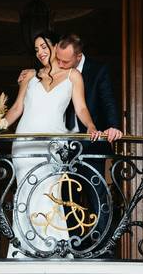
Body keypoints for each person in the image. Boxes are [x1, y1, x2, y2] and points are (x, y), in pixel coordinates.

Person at [17, 33, 124, 254]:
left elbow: (106, 101)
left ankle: (101, 249)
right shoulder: (40, 74)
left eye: (66, 61)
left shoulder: (95, 70)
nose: (60, 63)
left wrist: (111, 127)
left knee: (96, 194)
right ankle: (72, 245)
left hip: (90, 144)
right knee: (63, 197)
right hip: (60, 146)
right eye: (59, 58)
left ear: (77, 57)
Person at [2, 31, 102, 258]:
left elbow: (81, 108)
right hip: (24, 144)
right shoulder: (29, 76)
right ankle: (24, 251)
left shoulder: (73, 76)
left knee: (49, 195)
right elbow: (17, 108)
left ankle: (54, 250)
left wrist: (91, 127)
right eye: (36, 49)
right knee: (25, 195)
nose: (40, 52)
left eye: (44, 46)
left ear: (55, 46)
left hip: (52, 145)